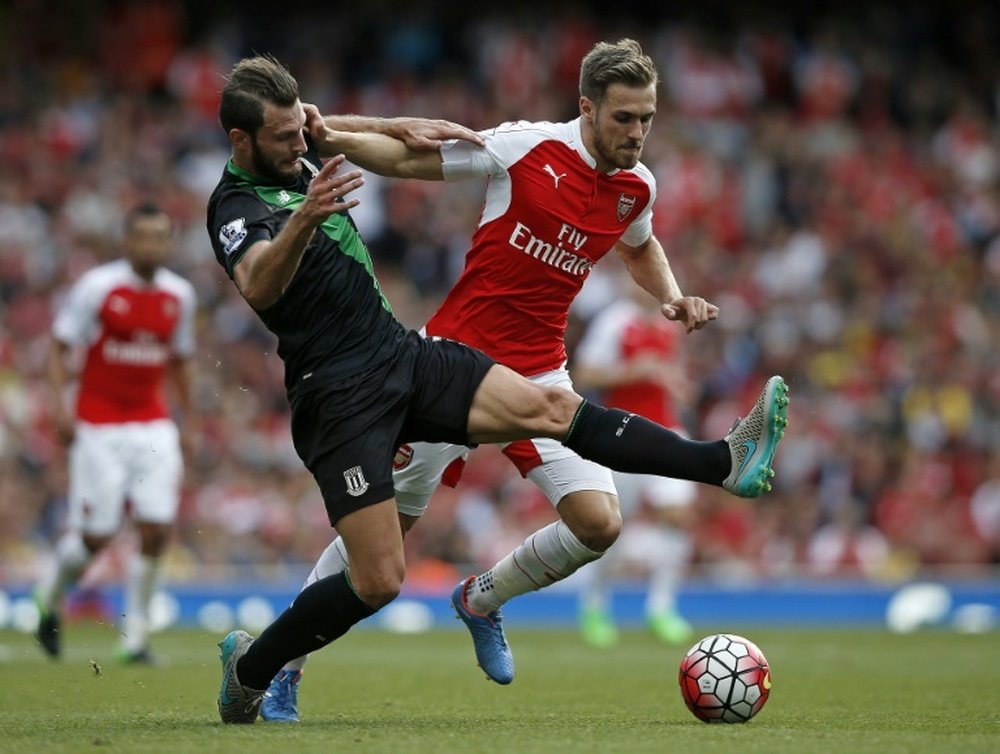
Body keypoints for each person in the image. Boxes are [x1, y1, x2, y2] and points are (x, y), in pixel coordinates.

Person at [207, 52, 788, 725]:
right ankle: (269, 669)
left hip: (442, 361)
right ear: (588, 105)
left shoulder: (636, 186)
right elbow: (267, 273)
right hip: (383, 373)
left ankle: (717, 464)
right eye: (624, 117)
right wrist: (321, 198)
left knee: (587, 488)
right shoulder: (246, 201)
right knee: (378, 572)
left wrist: (672, 295)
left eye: (647, 119)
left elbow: (317, 129)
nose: (636, 131)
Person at [34, 202, 197, 664]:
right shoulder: (98, 287)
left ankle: (136, 638)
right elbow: (59, 345)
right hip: (99, 424)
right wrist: (59, 406)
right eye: (143, 236)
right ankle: (49, 597)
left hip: (152, 422)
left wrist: (190, 421)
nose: (152, 244)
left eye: (160, 236)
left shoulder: (179, 295)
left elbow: (181, 360)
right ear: (127, 241)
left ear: (169, 242)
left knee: (157, 528)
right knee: (97, 535)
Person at [572, 267, 698, 647]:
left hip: (666, 431)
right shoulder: (614, 321)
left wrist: (678, 385)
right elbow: (585, 372)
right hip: (623, 435)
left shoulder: (669, 324)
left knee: (676, 515)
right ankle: (595, 606)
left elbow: (668, 373)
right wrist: (632, 370)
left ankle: (661, 607)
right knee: (609, 529)